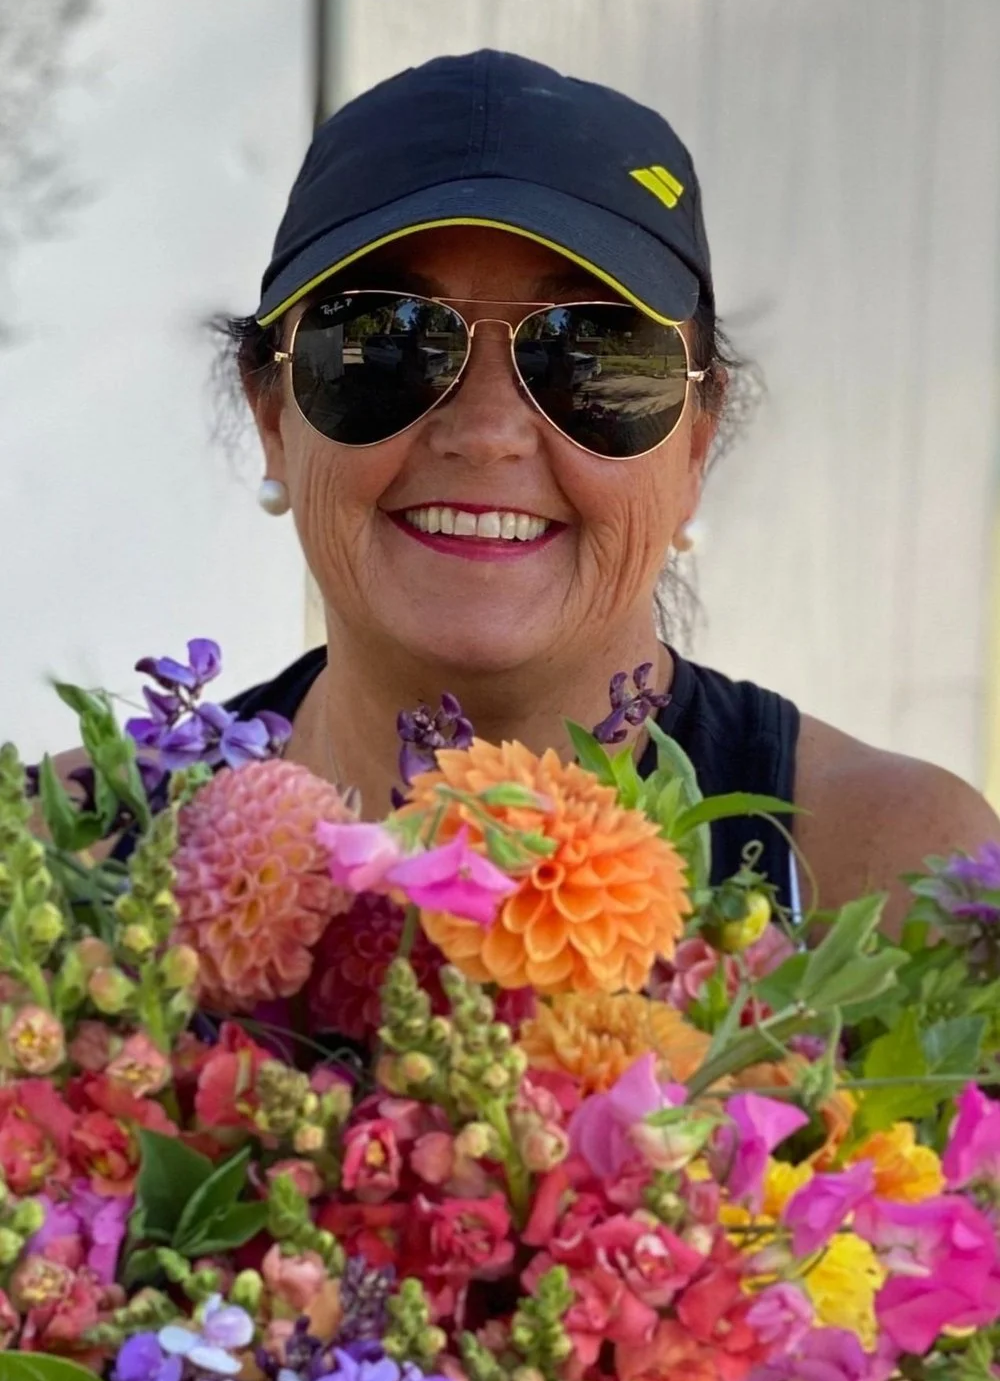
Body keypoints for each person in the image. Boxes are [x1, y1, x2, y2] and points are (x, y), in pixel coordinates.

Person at [69, 51, 1000, 920]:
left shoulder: (895, 877)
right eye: (386, 341)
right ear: (274, 417)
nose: (485, 435)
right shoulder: (62, 865)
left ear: (694, 450)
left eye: (592, 354)